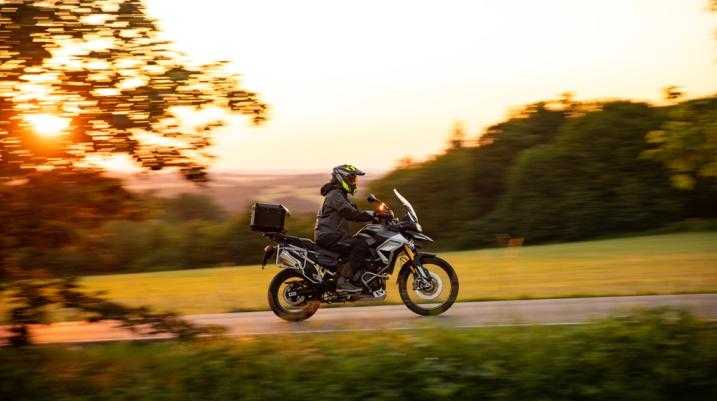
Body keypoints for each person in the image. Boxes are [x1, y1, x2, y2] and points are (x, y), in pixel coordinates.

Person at [314, 164, 376, 293]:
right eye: (351, 179)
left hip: (334, 235)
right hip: (329, 236)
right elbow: (350, 213)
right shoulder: (335, 195)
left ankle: (352, 278)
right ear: (342, 178)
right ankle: (343, 282)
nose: (354, 182)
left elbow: (355, 212)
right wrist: (373, 215)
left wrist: (375, 217)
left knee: (361, 241)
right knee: (360, 245)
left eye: (354, 179)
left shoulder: (340, 195)